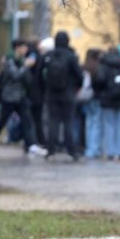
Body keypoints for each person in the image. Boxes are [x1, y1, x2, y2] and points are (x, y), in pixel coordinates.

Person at [0, 39, 47, 157]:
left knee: (27, 120)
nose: (26, 50)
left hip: (20, 97)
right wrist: (26, 66)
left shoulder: (21, 60)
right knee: (2, 121)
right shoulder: (9, 60)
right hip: (9, 97)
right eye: (24, 47)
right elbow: (15, 75)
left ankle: (32, 145)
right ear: (18, 48)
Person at [41, 31, 83, 160]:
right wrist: (75, 87)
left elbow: (39, 74)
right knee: (68, 123)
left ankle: (51, 150)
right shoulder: (71, 56)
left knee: (53, 122)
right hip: (68, 94)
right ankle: (71, 150)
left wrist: (46, 87)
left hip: (51, 94)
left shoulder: (48, 56)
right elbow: (79, 76)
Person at [94, 47, 120, 160]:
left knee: (109, 126)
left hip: (107, 100)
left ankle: (110, 151)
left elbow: (99, 81)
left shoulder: (104, 66)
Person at [81, 49, 103, 159]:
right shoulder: (98, 67)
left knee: (88, 123)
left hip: (86, 97)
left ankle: (89, 148)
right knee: (96, 123)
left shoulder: (84, 66)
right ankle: (94, 148)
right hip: (97, 97)